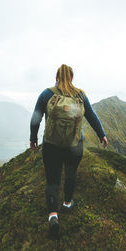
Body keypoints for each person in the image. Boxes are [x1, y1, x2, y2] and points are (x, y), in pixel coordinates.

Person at [30, 64, 108, 235]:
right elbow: (92, 116)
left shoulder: (47, 94)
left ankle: (53, 216)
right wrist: (102, 134)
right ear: (72, 78)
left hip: (51, 145)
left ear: (56, 77)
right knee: (71, 172)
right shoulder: (80, 95)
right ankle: (66, 203)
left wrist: (33, 138)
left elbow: (36, 117)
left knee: (52, 180)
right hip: (74, 145)